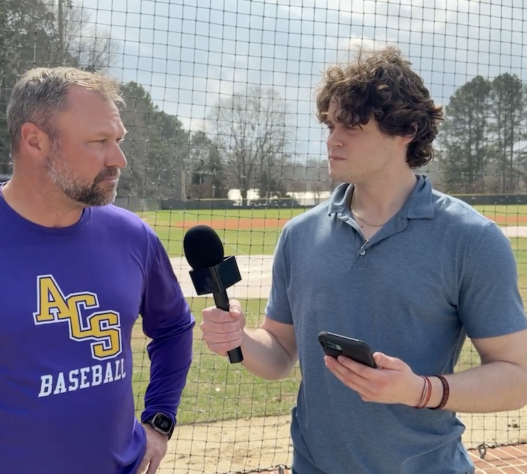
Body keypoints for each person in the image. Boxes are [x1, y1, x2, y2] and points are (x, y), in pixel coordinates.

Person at [200, 46, 527, 474]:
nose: (333, 139)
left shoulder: (471, 239)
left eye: (351, 126)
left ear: (406, 129)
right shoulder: (299, 235)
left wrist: (419, 390)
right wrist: (238, 337)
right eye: (331, 124)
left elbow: (516, 376)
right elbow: (280, 353)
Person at [0, 67, 194, 474]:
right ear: (35, 140)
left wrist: (159, 419)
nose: (118, 159)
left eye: (118, 140)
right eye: (98, 142)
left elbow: (174, 326)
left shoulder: (132, 236)